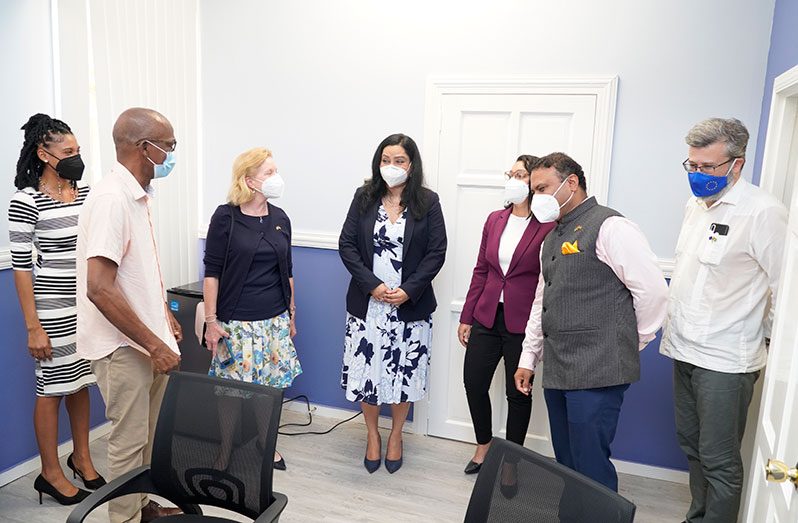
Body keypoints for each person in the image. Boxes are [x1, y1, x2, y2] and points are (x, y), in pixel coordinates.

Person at [514, 152, 668, 492]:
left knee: (590, 463)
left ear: (571, 183)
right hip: (558, 367)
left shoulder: (611, 226)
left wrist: (630, 341)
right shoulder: (551, 237)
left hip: (598, 369)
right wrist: (529, 357)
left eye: (543, 188)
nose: (536, 197)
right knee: (566, 461)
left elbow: (654, 292)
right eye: (533, 190)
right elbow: (543, 299)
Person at [660, 118, 787, 523]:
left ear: (737, 164)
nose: (697, 175)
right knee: (692, 447)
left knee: (719, 460)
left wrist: (766, 340)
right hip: (683, 349)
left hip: (726, 362)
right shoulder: (695, 206)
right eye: (692, 166)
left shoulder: (764, 213)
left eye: (707, 167)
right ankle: (697, 517)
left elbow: (788, 288)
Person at [76, 107, 182, 523]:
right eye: (169, 146)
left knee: (148, 440)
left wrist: (162, 320)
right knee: (128, 442)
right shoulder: (110, 199)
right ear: (145, 148)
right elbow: (99, 288)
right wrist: (154, 343)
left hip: (143, 340)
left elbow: (133, 276)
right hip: (124, 348)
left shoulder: (137, 195)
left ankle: (143, 507)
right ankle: (123, 519)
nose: (172, 154)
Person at [8, 114, 103, 505]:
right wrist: (33, 326)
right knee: (50, 390)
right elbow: (21, 267)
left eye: (78, 151)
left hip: (87, 309)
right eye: (68, 152)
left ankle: (81, 457)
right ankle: (49, 473)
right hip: (52, 310)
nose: (76, 158)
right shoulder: (26, 200)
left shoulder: (86, 193)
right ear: (44, 154)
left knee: (80, 384)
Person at [339, 133, 447, 474]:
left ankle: (397, 435)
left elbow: (436, 252)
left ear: (411, 165)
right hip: (368, 305)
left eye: (399, 160)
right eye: (386, 160)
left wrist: (409, 290)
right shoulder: (363, 197)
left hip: (408, 309)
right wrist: (372, 286)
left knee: (404, 376)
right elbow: (347, 246)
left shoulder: (428, 202)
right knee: (368, 376)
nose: (391, 166)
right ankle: (372, 436)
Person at [202, 146, 301, 471]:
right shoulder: (226, 216)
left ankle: (266, 444)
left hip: (273, 320)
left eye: (276, 170)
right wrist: (212, 321)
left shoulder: (280, 218)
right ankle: (225, 450)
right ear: (249, 180)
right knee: (229, 393)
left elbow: (287, 272)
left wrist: (291, 315)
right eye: (269, 173)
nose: (277, 178)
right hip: (235, 323)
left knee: (269, 390)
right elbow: (212, 273)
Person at [458, 155, 554, 476]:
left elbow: (547, 279)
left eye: (520, 174)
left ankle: (511, 461)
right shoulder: (494, 219)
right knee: (474, 383)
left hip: (522, 324)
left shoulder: (548, 228)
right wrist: (467, 315)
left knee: (518, 394)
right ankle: (484, 445)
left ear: (533, 182)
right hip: (486, 316)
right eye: (510, 173)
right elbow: (482, 269)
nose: (513, 179)